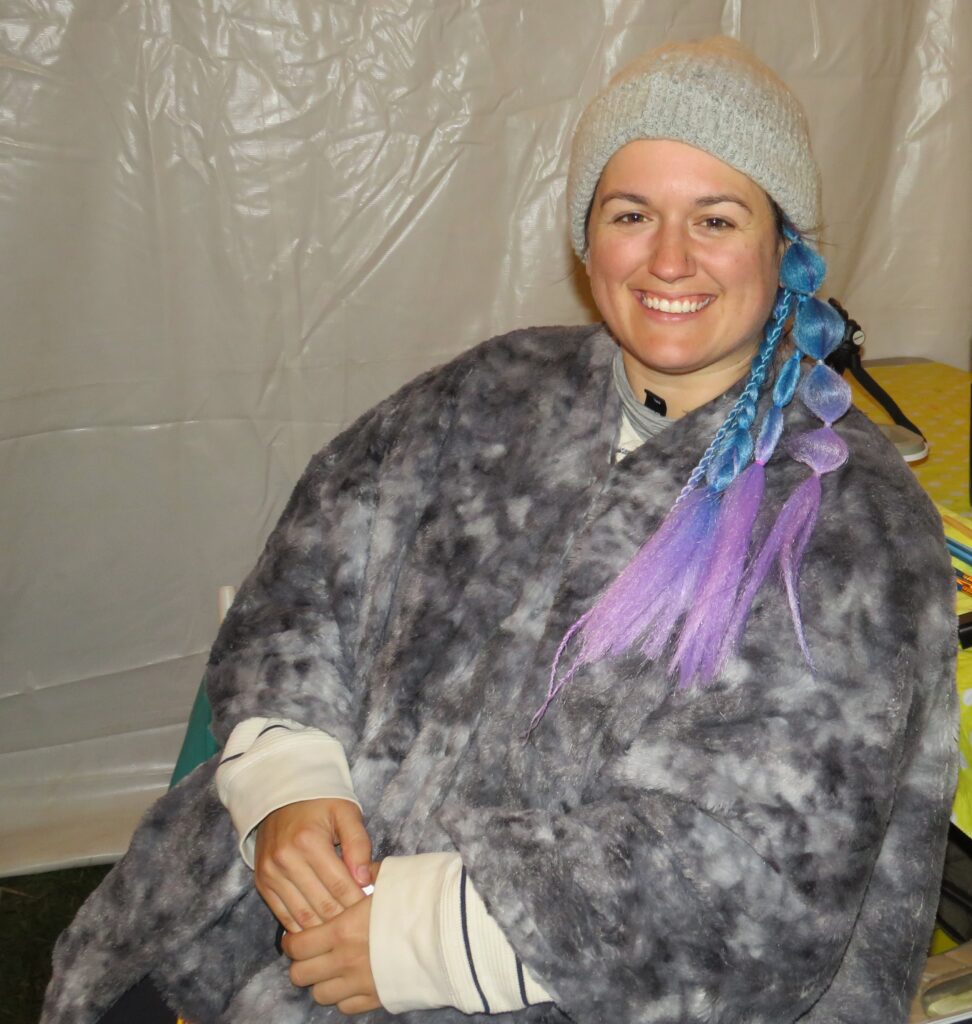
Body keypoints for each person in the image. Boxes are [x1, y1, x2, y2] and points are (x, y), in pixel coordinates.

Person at [43, 36, 956, 1024]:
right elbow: (301, 595)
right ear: (586, 240)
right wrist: (288, 783)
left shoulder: (846, 521)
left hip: (564, 987)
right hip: (287, 892)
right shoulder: (490, 391)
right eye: (631, 214)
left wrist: (425, 937)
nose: (669, 260)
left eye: (717, 219)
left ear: (784, 248)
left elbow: (759, 868)